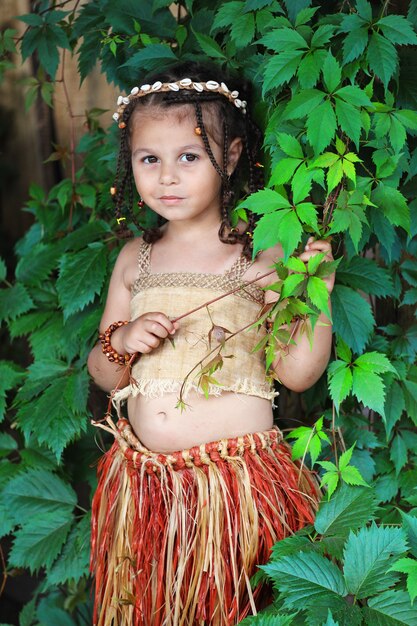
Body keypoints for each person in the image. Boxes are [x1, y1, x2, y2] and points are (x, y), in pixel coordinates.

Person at [87, 61, 335, 626]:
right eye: (150, 159)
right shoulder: (136, 259)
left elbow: (297, 373)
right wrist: (122, 341)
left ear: (231, 156)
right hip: (150, 493)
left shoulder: (262, 257)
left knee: (237, 608)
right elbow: (104, 375)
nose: (167, 178)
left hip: (239, 489)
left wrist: (314, 291)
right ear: (131, 164)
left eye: (189, 157)